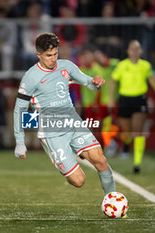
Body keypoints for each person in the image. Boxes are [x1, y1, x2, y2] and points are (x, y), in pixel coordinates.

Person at [13, 33, 116, 195]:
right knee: (79, 181)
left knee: (101, 161)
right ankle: (65, 163)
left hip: (73, 122)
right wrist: (20, 141)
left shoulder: (66, 66)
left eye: (55, 54)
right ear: (38, 54)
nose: (53, 59)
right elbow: (20, 108)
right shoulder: (30, 78)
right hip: (52, 132)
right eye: (48, 55)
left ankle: (112, 199)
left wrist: (95, 83)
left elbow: (87, 81)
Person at [110, 40, 155, 173]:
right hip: (124, 99)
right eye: (132, 49)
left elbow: (151, 79)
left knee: (138, 130)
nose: (134, 52)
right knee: (128, 131)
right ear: (128, 51)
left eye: (137, 49)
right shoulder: (122, 65)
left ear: (141, 51)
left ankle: (137, 163)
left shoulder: (145, 66)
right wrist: (111, 99)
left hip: (139, 99)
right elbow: (113, 81)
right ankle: (126, 145)